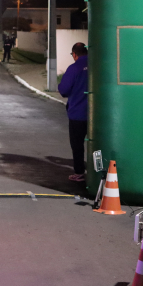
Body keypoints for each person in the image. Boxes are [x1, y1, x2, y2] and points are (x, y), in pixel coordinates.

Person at [58, 42, 88, 182]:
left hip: (78, 114)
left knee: (77, 144)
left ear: (75, 54)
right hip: (97, 114)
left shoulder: (74, 68)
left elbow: (64, 90)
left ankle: (79, 172)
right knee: (97, 144)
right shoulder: (98, 66)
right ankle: (99, 172)